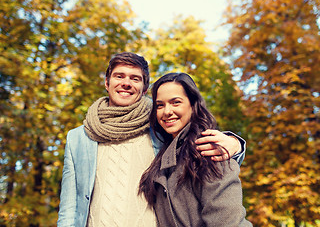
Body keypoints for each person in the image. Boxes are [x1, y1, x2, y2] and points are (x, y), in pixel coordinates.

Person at [57, 52, 247, 227]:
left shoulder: (157, 126)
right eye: (119, 76)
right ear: (107, 83)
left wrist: (235, 144)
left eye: (135, 78)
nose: (126, 83)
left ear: (145, 88)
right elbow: (69, 207)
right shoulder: (78, 138)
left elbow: (194, 141)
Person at [139, 73, 252, 226]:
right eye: (160, 105)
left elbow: (227, 221)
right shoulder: (162, 153)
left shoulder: (208, 151)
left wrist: (235, 143)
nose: (167, 111)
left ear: (193, 105)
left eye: (176, 102)